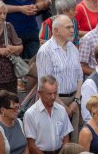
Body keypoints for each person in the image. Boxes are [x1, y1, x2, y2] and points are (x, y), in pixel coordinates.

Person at [36, 14, 83, 142]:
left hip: (74, 100)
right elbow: (44, 84)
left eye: (72, 26)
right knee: (56, 142)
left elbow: (79, 77)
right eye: (68, 27)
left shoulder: (73, 48)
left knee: (74, 143)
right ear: (56, 31)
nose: (72, 30)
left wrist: (76, 101)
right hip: (53, 101)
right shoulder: (46, 51)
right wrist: (62, 106)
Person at [24, 75, 73, 154]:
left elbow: (66, 137)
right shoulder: (30, 114)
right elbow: (31, 145)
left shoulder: (61, 110)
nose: (53, 97)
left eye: (55, 93)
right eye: (49, 94)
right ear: (40, 93)